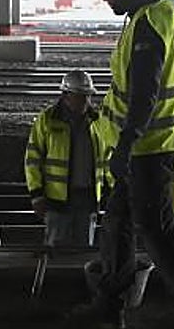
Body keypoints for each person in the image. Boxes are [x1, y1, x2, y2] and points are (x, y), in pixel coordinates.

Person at [76, 0, 174, 329]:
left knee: (156, 231)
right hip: (143, 147)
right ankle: (110, 304)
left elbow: (144, 93)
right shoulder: (149, 17)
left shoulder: (149, 23)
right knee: (117, 224)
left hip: (148, 149)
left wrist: (126, 143)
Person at [25, 69, 112, 247]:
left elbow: (106, 160)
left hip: (87, 200)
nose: (85, 101)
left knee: (83, 251)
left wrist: (111, 191)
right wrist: (37, 195)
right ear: (66, 95)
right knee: (55, 251)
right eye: (80, 96)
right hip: (57, 201)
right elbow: (32, 160)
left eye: (88, 96)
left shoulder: (98, 122)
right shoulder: (47, 120)